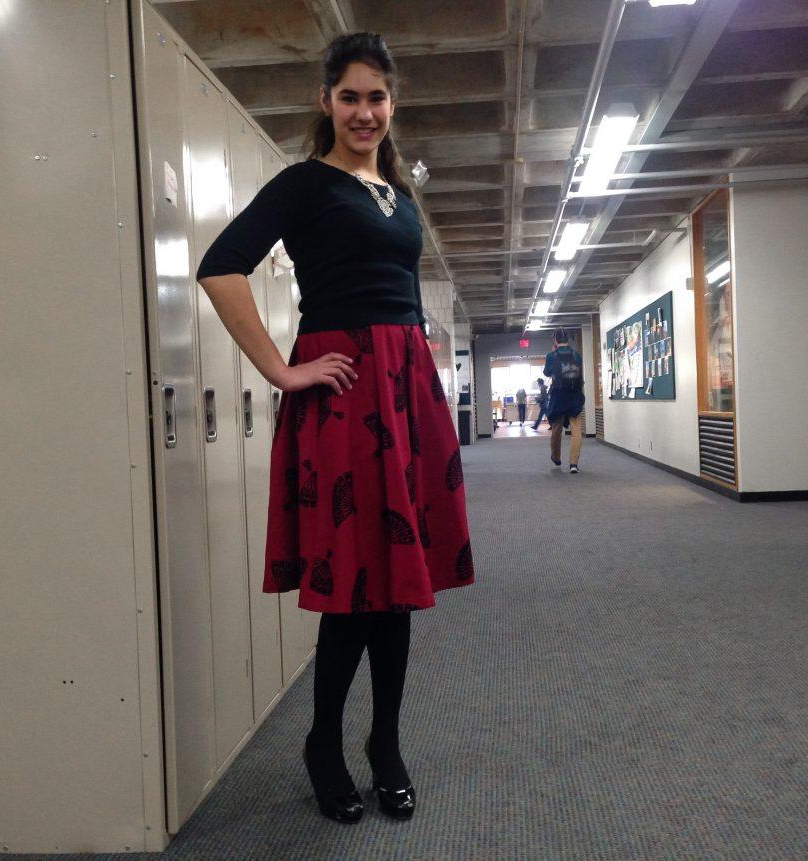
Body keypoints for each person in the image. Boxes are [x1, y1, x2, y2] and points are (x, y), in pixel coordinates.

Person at [196, 32, 474, 825]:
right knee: (354, 585)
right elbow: (220, 266)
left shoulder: (399, 195)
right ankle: (325, 740)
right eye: (349, 97)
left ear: (393, 103)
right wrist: (282, 371)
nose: (364, 111)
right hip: (346, 389)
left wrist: (420, 369)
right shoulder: (304, 184)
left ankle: (384, 743)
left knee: (397, 588)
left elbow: (399, 292)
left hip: (404, 388)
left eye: (377, 97)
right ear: (326, 102)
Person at [543, 328, 585, 473]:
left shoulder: (551, 355)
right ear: (568, 339)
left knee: (557, 427)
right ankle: (574, 463)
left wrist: (553, 353)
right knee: (576, 429)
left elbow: (547, 372)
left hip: (559, 395)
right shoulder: (576, 355)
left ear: (556, 340)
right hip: (575, 395)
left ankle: (556, 456)